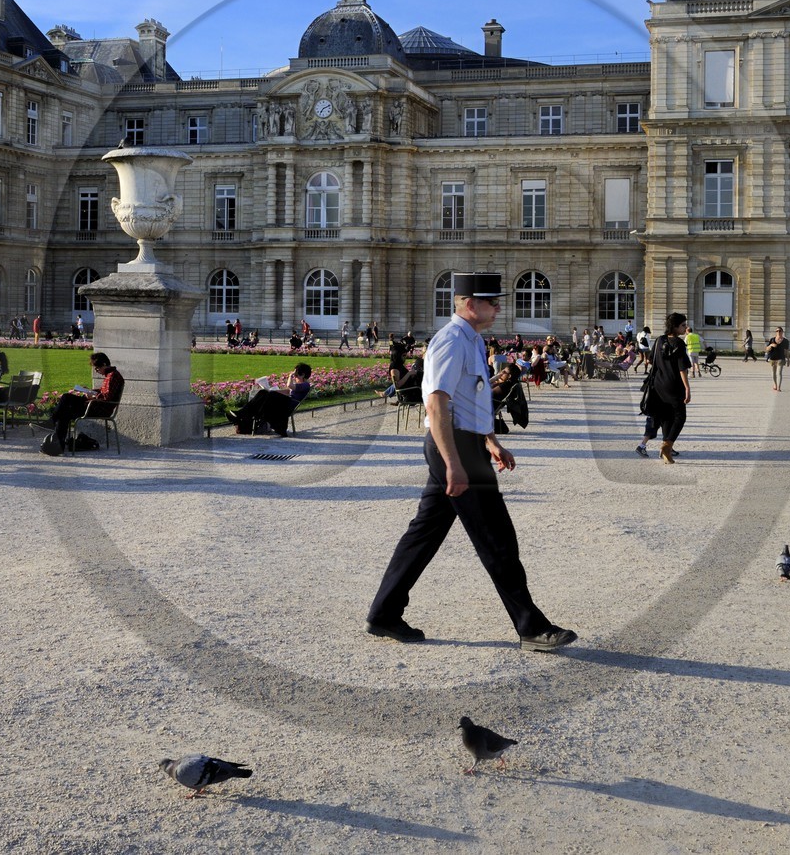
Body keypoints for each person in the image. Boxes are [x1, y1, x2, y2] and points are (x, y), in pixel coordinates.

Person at [364, 272, 576, 653]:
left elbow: (471, 400)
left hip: (465, 444)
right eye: (491, 301)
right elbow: (437, 403)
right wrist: (454, 462)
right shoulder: (449, 341)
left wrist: (490, 441)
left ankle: (384, 613)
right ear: (467, 303)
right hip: (453, 447)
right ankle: (531, 626)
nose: (497, 307)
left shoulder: (472, 340)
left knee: (423, 536)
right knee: (497, 538)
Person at [37, 352, 124, 451]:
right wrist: (91, 391)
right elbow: (104, 392)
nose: (96, 371)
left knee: (66, 397)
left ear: (104, 364)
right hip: (96, 405)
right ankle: (58, 445)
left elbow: (107, 397)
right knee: (65, 412)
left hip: (99, 408)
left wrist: (92, 396)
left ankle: (52, 423)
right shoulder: (110, 375)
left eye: (97, 368)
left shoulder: (112, 376)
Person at [636, 311, 692, 462]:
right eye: (683, 325)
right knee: (680, 416)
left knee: (667, 416)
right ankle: (667, 445)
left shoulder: (660, 340)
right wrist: (687, 388)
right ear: (675, 327)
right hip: (674, 385)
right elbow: (682, 369)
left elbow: (650, 361)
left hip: (658, 385)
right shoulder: (679, 343)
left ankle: (666, 451)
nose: (686, 327)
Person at [229, 363, 312, 437]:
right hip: (287, 402)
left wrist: (290, 376)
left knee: (265, 396)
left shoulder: (305, 385)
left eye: (296, 375)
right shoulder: (301, 384)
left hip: (288, 405)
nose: (295, 377)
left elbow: (289, 386)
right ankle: (241, 414)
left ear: (303, 375)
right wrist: (272, 391)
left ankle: (241, 415)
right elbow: (288, 391)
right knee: (263, 393)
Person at [765, 326, 789, 392]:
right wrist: (771, 345)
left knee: (779, 372)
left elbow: (786, 351)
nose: (778, 332)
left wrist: (788, 359)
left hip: (781, 358)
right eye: (777, 331)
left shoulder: (785, 341)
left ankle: (779, 387)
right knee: (773, 373)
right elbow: (767, 349)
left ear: (782, 332)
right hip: (772, 358)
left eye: (780, 331)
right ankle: (775, 385)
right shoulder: (772, 339)